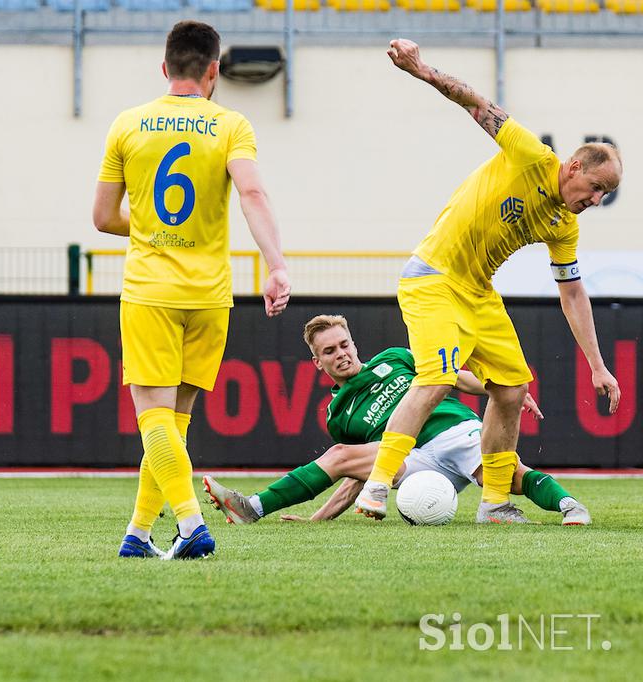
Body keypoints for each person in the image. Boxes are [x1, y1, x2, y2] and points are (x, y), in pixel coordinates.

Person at [354, 38, 622, 524]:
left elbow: (573, 293)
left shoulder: (565, 226)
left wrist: (598, 366)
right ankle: (375, 487)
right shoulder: (531, 156)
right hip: (432, 277)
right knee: (434, 379)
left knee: (513, 386)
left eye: (606, 194)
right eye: (597, 188)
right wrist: (422, 70)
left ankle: (495, 502)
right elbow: (477, 103)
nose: (597, 200)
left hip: (477, 292)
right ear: (575, 166)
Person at [92, 21, 291, 560]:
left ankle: (189, 526)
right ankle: (137, 535)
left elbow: (103, 217)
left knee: (153, 419)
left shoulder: (127, 124)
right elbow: (251, 190)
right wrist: (275, 265)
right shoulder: (231, 124)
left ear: (164, 69)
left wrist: (154, 227)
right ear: (212, 70)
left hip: (151, 290)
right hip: (209, 296)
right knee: (174, 422)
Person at [203, 314, 591, 525]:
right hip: (413, 463)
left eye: (344, 345)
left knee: (506, 476)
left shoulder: (396, 358)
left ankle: (569, 505)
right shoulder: (339, 415)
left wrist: (504, 391)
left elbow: (456, 376)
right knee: (339, 454)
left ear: (354, 344)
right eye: (329, 351)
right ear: (317, 362)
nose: (340, 354)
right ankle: (251, 507)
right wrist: (317, 519)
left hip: (453, 433)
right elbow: (359, 479)